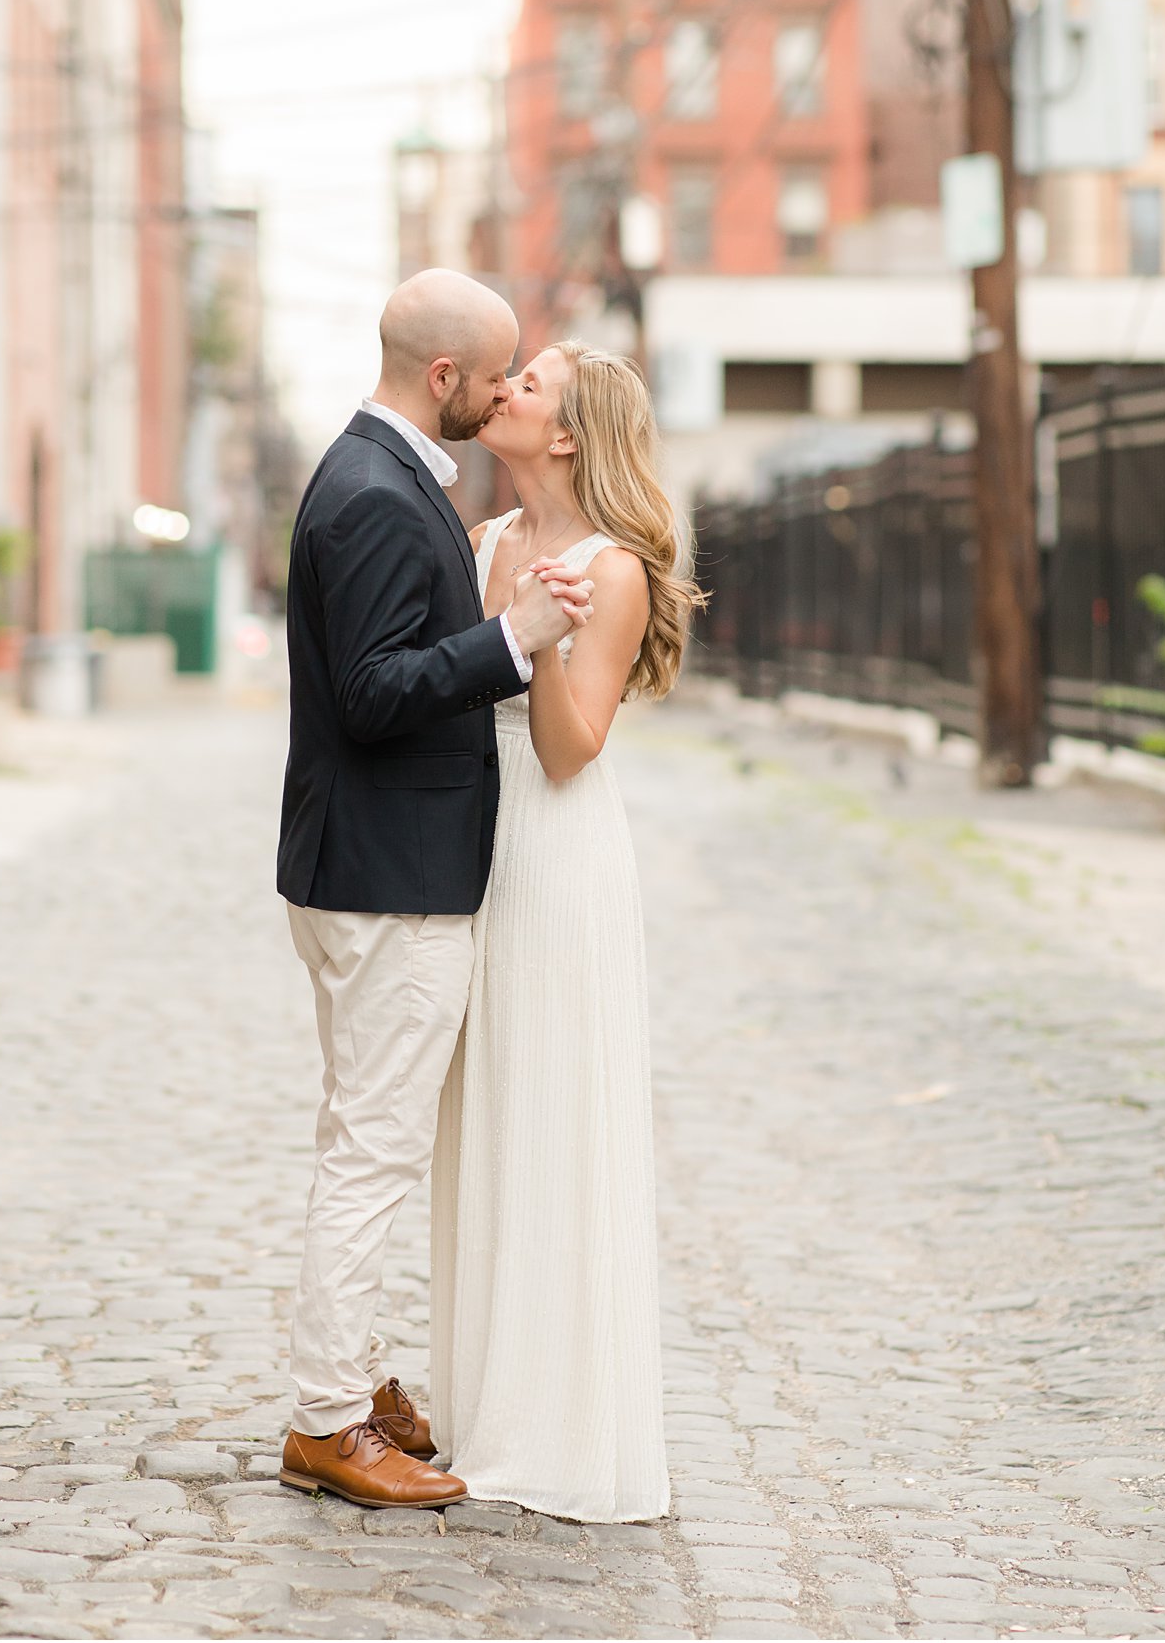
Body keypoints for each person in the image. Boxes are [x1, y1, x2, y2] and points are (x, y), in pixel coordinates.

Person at [276, 271, 596, 1511]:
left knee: (363, 1137)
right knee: (371, 1152)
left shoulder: (385, 476)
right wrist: (511, 640)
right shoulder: (369, 492)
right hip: (387, 879)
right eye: (495, 371)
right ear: (443, 378)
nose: (502, 393)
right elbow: (369, 693)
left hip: (372, 866)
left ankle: (347, 1382)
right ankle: (326, 1420)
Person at [430, 340, 702, 1523]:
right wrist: (503, 610)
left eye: (529, 385)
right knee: (478, 1125)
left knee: (547, 1116)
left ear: (569, 435)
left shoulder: (613, 569)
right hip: (469, 849)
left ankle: (554, 1428)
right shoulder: (481, 540)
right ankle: (481, 1404)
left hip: (553, 852)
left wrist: (531, 629)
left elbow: (565, 745)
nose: (504, 391)